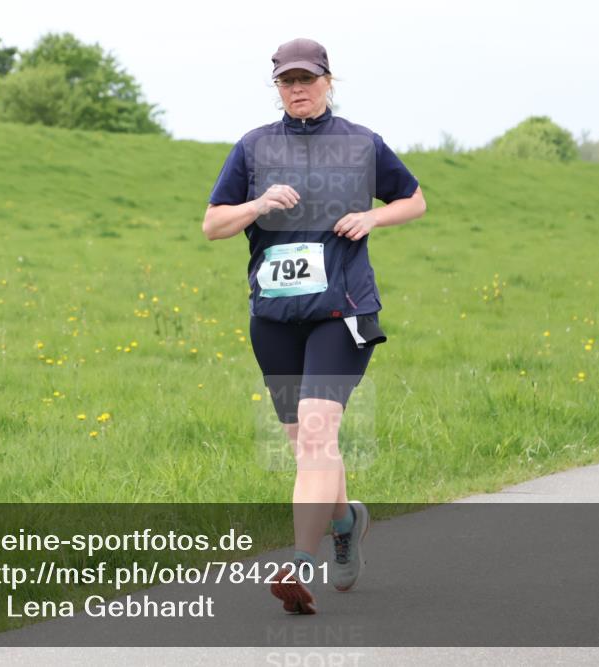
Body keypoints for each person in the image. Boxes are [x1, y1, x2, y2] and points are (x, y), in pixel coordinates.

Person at [202, 37, 426, 614]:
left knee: (319, 430)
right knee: (307, 444)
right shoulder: (253, 147)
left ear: (328, 81)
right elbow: (213, 225)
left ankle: (300, 563)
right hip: (274, 317)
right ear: (276, 86)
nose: (297, 89)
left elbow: (414, 200)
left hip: (342, 309)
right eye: (287, 81)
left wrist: (372, 216)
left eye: (307, 79)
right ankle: (346, 521)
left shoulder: (361, 143)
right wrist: (257, 206)